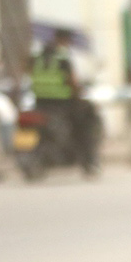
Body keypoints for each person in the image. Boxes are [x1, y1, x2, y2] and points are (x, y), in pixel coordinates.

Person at [30, 29, 101, 175]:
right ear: (64, 41)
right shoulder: (62, 58)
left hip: (39, 104)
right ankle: (89, 162)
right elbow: (72, 82)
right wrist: (79, 92)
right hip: (61, 104)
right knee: (86, 122)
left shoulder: (37, 56)